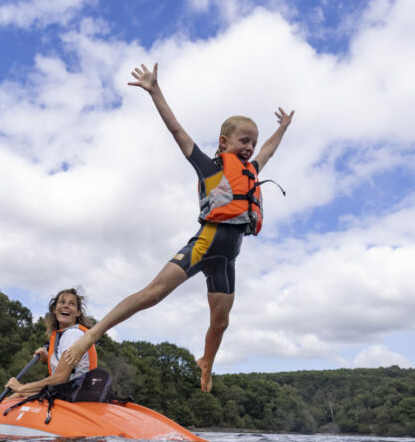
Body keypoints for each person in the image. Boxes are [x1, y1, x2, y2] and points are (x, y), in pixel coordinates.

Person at [63, 62, 294, 392]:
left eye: (253, 143)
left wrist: (283, 128)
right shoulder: (209, 167)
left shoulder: (252, 170)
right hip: (204, 246)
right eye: (244, 141)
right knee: (153, 294)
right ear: (224, 141)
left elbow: (269, 150)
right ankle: (91, 335)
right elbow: (177, 131)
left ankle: (206, 363)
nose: (250, 148)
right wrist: (155, 91)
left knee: (221, 321)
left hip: (227, 260)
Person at [6, 288, 96, 397]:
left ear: (78, 312)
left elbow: (60, 378)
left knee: (21, 393)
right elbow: (70, 367)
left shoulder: (73, 333)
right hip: (70, 394)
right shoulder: (68, 334)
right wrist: (48, 357)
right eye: (62, 302)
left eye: (71, 304)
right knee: (20, 395)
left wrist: (21, 387)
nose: (66, 306)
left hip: (74, 398)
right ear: (54, 309)